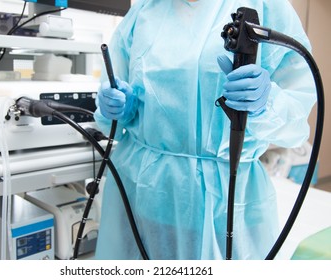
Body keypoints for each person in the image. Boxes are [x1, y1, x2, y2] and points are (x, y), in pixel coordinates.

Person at [93, 0, 316, 260]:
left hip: (227, 202)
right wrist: (121, 107)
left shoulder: (265, 6)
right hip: (144, 194)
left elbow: (297, 114)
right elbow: (114, 95)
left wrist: (266, 102)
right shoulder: (144, 11)